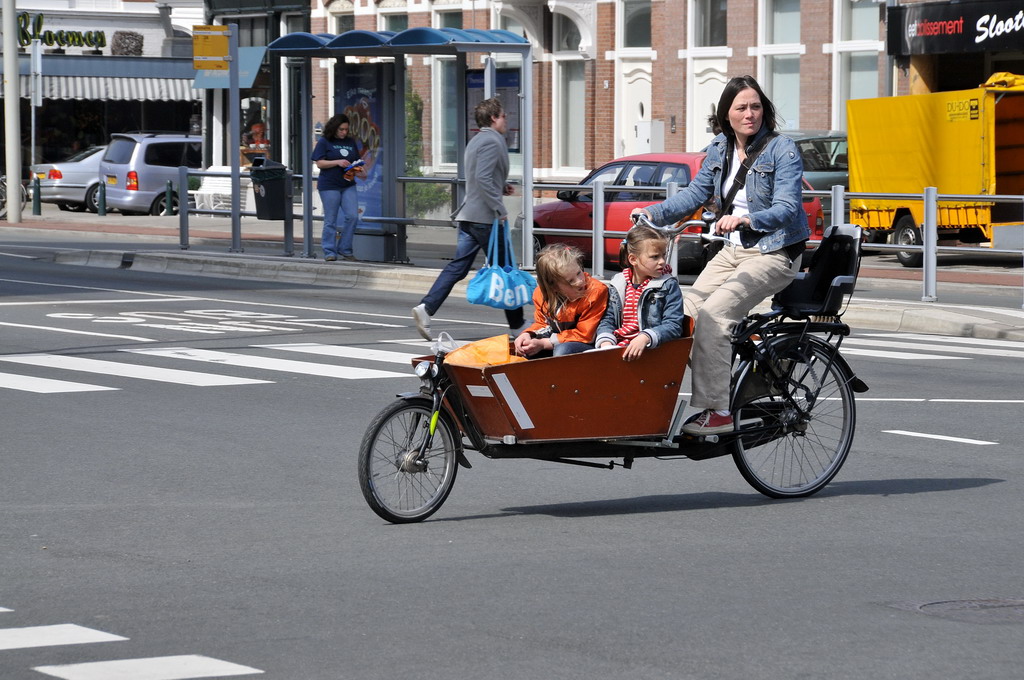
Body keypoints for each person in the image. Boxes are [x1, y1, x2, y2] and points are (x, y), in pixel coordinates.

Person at [633, 75, 809, 435]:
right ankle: (662, 397)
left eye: (756, 106)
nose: (750, 114)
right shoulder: (719, 148)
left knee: (714, 316)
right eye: (741, 107)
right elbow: (695, 193)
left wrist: (748, 218)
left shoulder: (782, 149)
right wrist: (655, 213)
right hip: (732, 251)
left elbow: (789, 207)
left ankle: (718, 411)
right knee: (677, 315)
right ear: (726, 114)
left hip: (775, 252)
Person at [412, 97, 524, 340]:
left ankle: (426, 308)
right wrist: (499, 207)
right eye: (504, 115)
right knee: (506, 270)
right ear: (494, 118)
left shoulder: (476, 140)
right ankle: (517, 326)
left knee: (459, 267)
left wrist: (500, 185)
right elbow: (482, 179)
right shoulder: (494, 141)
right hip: (484, 218)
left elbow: (480, 176)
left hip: (469, 215)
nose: (507, 119)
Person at [594, 225, 684, 361]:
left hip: (649, 350)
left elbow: (673, 325)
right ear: (633, 259)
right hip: (619, 346)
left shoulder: (668, 285)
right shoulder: (619, 282)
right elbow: (608, 318)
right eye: (655, 257)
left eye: (663, 255)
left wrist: (645, 336)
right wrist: (606, 341)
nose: (662, 261)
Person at [513, 245, 608, 358]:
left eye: (579, 273)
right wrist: (528, 334)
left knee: (563, 351)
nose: (580, 281)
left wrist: (545, 343)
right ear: (554, 287)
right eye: (570, 281)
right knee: (526, 349)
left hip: (589, 345)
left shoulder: (595, 291)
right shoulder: (541, 295)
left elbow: (586, 334)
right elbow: (542, 324)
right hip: (559, 339)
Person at [312, 114, 365, 262]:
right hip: (329, 185)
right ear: (334, 128)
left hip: (348, 184)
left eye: (346, 130)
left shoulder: (350, 142)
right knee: (331, 219)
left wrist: (359, 169)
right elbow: (320, 163)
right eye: (341, 129)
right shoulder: (324, 142)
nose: (344, 133)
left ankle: (345, 248)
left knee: (353, 216)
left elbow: (356, 160)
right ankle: (329, 251)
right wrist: (337, 162)